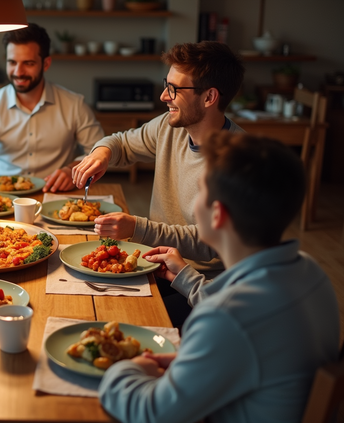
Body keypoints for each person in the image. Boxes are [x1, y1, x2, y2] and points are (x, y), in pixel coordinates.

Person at [98, 131, 340, 423]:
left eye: (200, 191)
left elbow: (150, 413)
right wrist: (187, 277)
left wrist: (123, 365)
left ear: (217, 215)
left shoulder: (225, 319)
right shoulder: (311, 271)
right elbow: (252, 343)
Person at [71, 41, 245, 324]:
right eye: (167, 84)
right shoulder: (170, 126)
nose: (165, 96)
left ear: (209, 97)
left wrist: (139, 228)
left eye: (175, 89)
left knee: (122, 321)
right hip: (159, 264)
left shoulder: (239, 160)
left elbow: (213, 242)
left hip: (205, 285)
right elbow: (122, 142)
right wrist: (102, 153)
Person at [0, 23, 105, 196]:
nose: (18, 72)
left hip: (56, 196)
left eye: (28, 63)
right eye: (12, 62)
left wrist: (72, 170)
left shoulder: (74, 104)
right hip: (4, 199)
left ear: (46, 63)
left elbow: (98, 150)